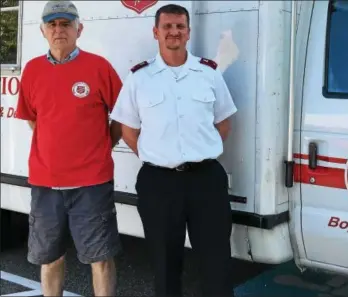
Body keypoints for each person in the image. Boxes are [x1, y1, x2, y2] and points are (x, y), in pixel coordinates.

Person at [110, 3, 238, 297]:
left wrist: (199, 151)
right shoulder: (139, 78)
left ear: (188, 32)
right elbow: (128, 130)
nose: (174, 32)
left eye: (180, 26)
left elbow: (224, 123)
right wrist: (156, 155)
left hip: (206, 180)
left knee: (216, 262)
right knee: (165, 264)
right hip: (159, 183)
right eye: (167, 27)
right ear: (156, 32)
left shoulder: (209, 74)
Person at [15, 1, 123, 296]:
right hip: (46, 184)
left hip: (92, 184)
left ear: (79, 29)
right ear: (43, 31)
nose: (59, 30)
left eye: (66, 24)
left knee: (100, 258)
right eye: (52, 24)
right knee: (50, 259)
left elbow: (123, 116)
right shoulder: (33, 70)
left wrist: (101, 146)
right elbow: (33, 119)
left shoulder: (99, 67)